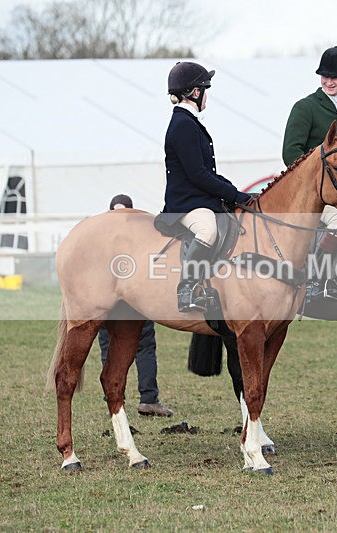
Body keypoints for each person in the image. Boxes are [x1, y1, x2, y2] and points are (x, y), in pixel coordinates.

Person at [159, 61, 252, 312]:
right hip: (185, 203)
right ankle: (187, 288)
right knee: (207, 230)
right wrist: (233, 194)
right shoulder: (183, 125)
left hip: (198, 198)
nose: (206, 96)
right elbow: (198, 175)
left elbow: (208, 173)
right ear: (196, 93)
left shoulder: (189, 122)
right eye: (205, 90)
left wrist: (237, 192)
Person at [282, 46, 337, 301]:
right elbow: (290, 152)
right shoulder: (305, 107)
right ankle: (316, 280)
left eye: (335, 77)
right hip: (310, 191)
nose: (329, 82)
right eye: (325, 76)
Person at [99, 193, 173, 417]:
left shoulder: (99, 237)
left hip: (107, 300)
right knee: (145, 347)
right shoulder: (140, 236)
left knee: (108, 348)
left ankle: (111, 395)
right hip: (135, 299)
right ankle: (149, 398)